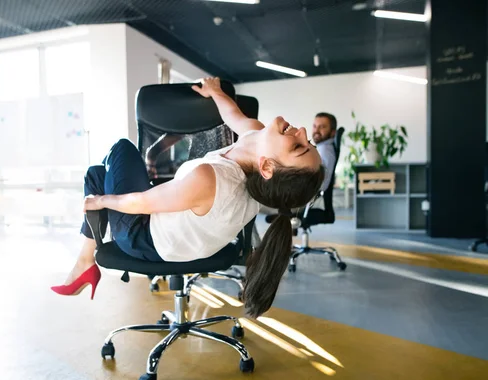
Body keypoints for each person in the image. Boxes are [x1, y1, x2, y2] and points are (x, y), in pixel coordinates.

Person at [51, 77, 325, 318]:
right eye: (308, 143)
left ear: (267, 167)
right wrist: (215, 91)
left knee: (119, 151)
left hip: (144, 238)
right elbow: (233, 116)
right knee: (97, 175)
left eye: (298, 147)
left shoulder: (211, 180)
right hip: (192, 243)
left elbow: (142, 203)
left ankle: (84, 263)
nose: (302, 132)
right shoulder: (256, 143)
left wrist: (100, 203)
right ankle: (85, 262)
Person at [264, 112, 338, 224]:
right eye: (315, 126)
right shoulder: (322, 148)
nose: (317, 130)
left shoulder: (325, 151)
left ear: (333, 132)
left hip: (302, 199)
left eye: (322, 127)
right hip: (302, 197)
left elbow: (321, 184)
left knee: (255, 202)